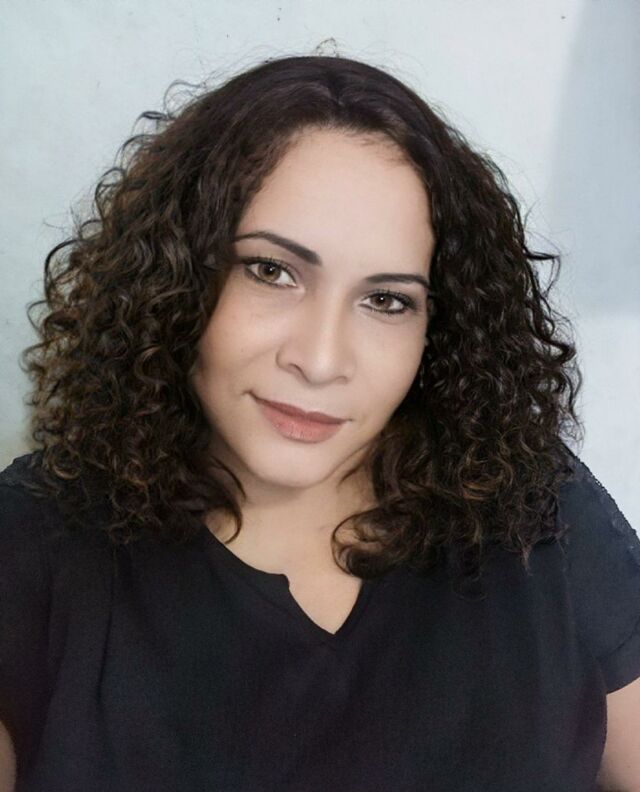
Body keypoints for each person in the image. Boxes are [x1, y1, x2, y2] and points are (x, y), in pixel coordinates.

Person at [1, 53, 639, 792]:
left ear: (438, 329)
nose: (321, 359)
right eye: (271, 271)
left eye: (387, 300)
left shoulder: (539, 511)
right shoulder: (31, 548)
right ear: (176, 275)